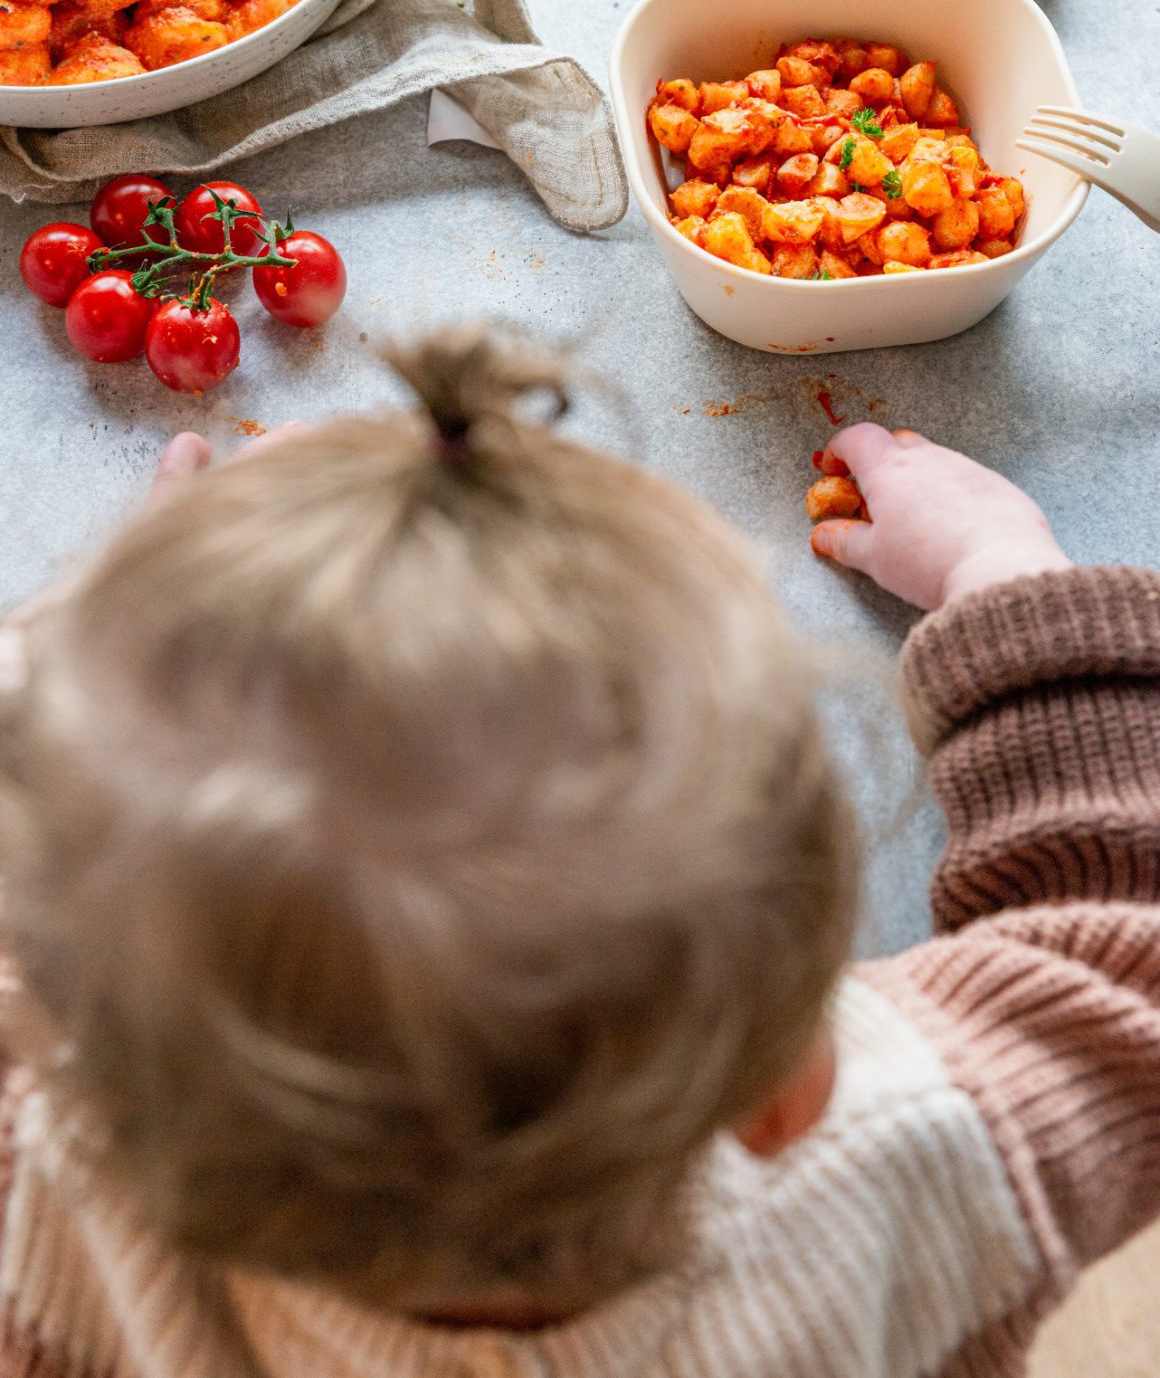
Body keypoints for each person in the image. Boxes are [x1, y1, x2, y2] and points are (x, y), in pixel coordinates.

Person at [0, 324, 1155, 1378]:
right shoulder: (915, 1164)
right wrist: (998, 568)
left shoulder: (43, 1193)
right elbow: (1120, 951)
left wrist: (110, 658)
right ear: (792, 1087)